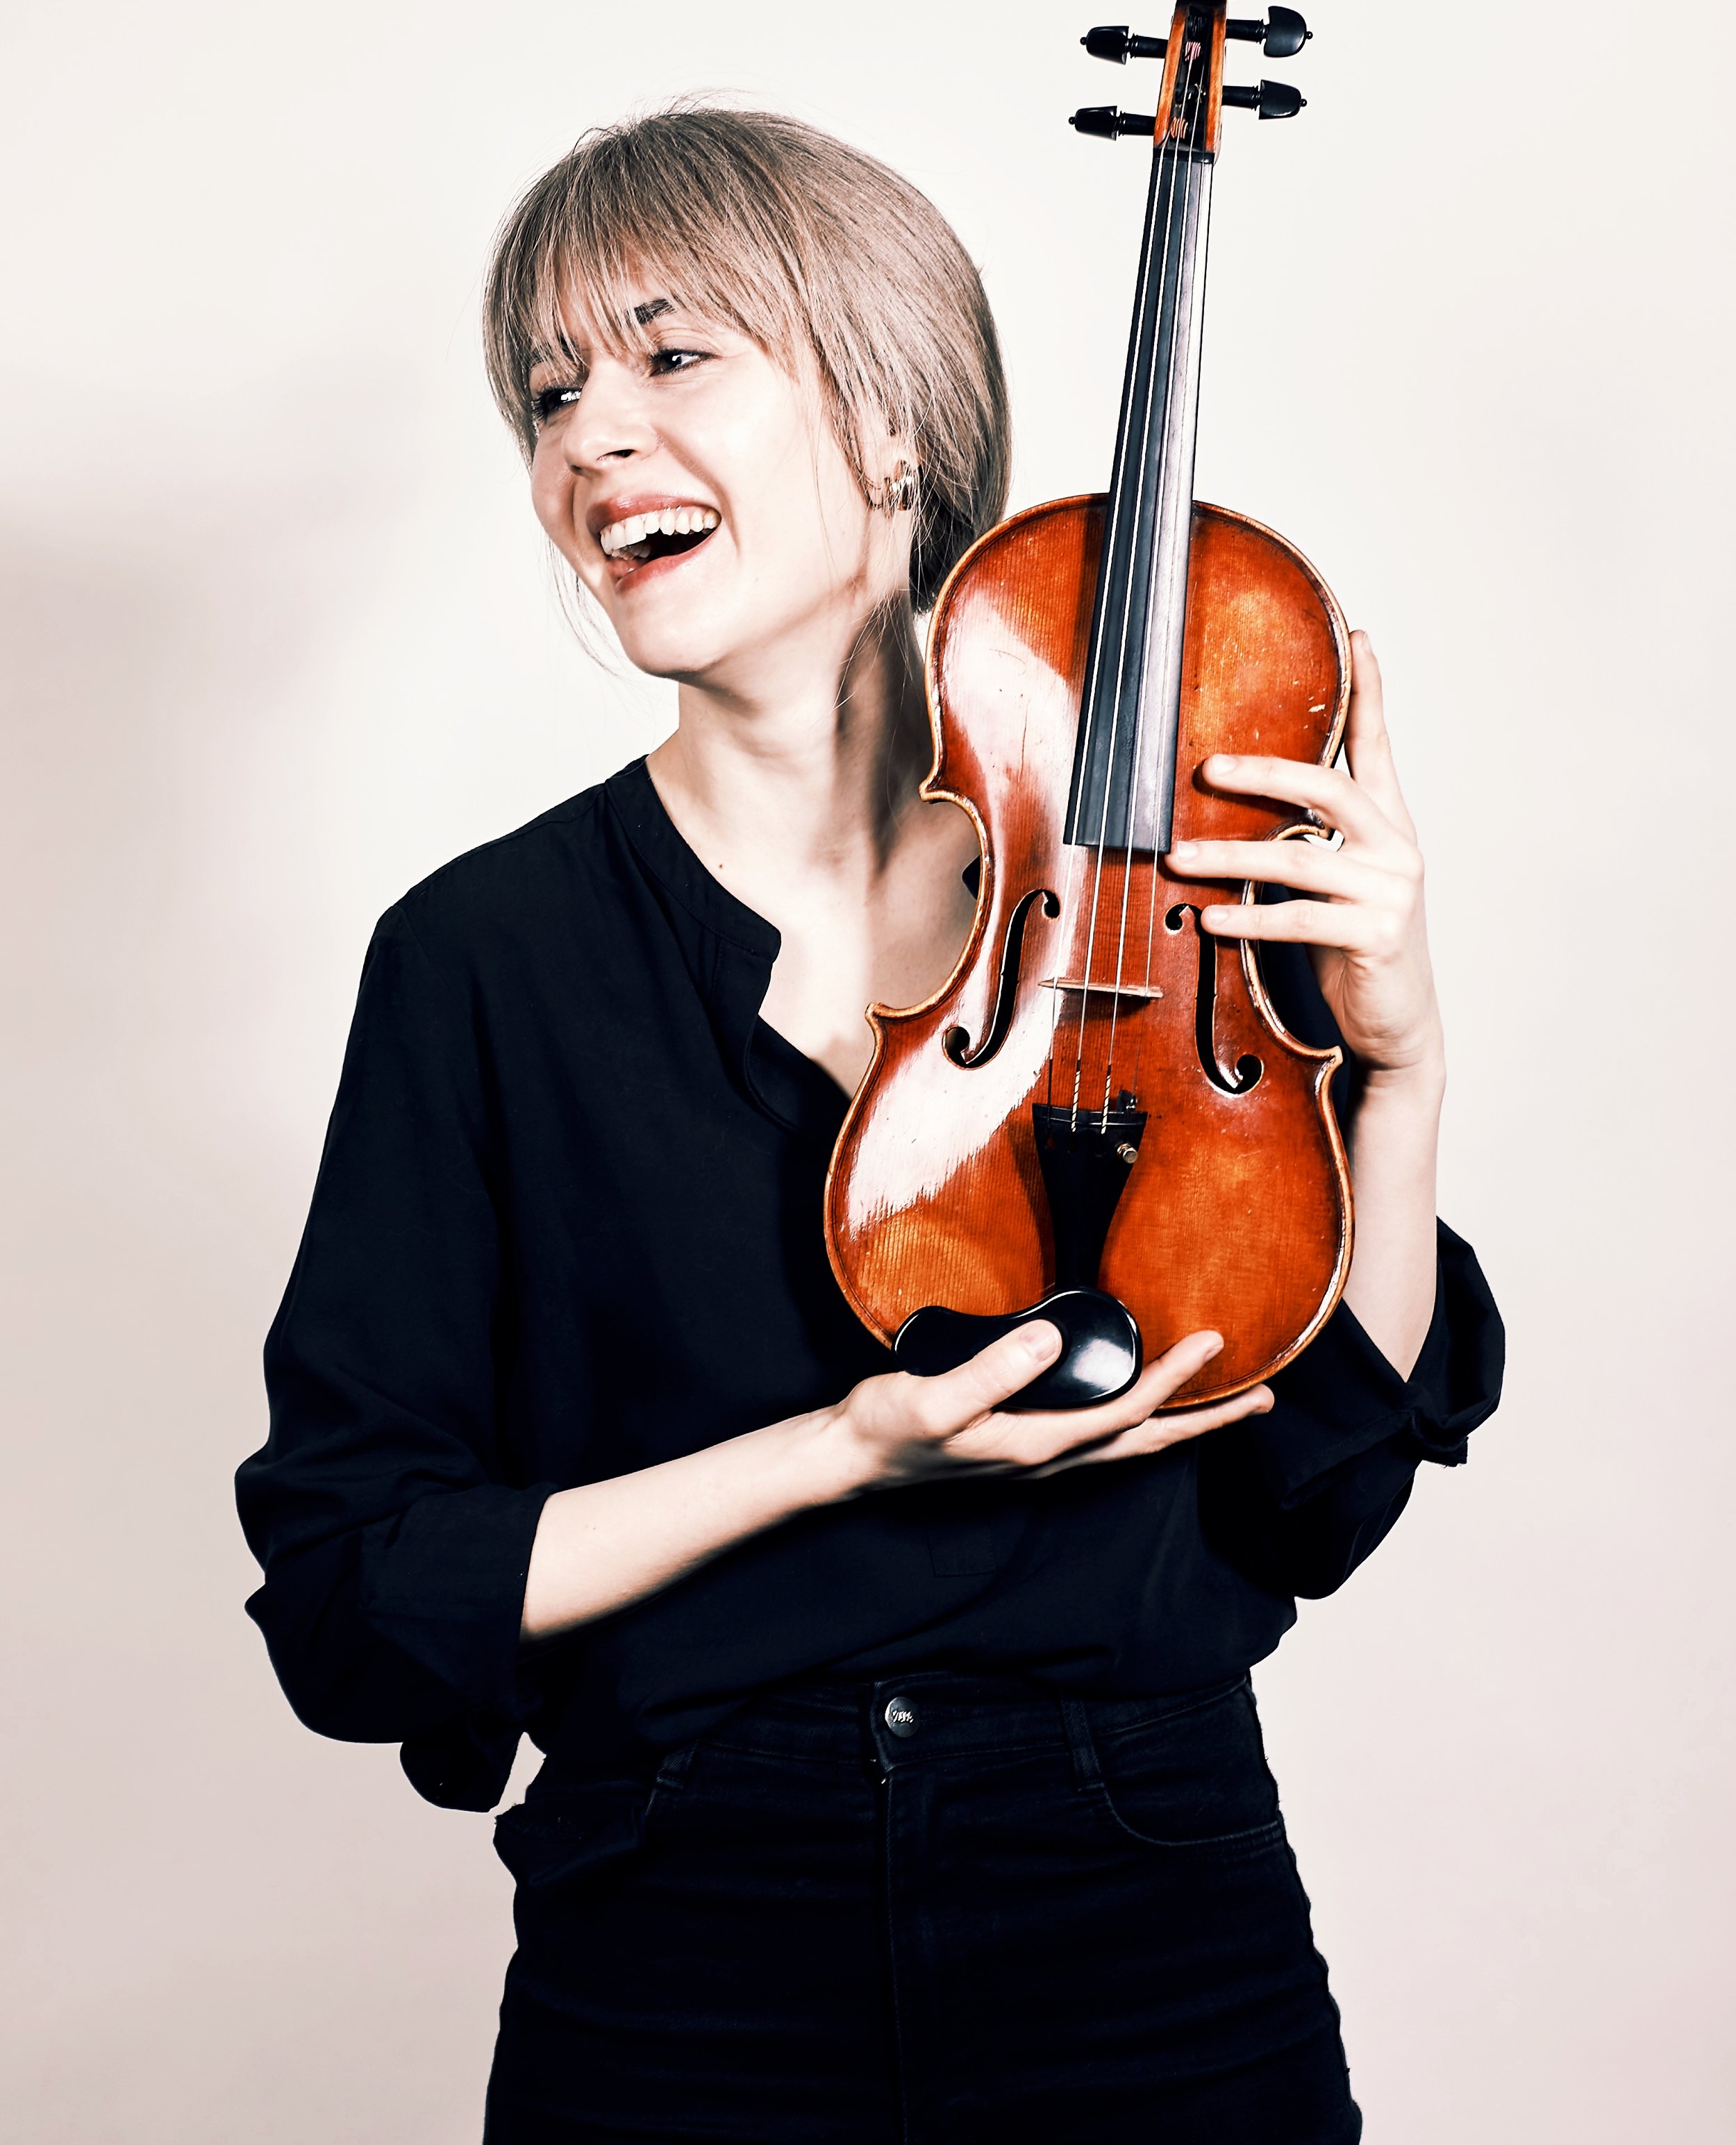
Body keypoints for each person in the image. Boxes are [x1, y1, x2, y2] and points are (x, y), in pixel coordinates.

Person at [237, 108, 1503, 2145]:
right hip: (678, 1947)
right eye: (549, 391)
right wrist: (840, 1450)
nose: (587, 438)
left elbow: (1314, 1497)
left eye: (669, 356)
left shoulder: (1147, 892)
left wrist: (1402, 1068)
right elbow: (364, 1587)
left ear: (890, 414)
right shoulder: (478, 956)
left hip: (1144, 1909)